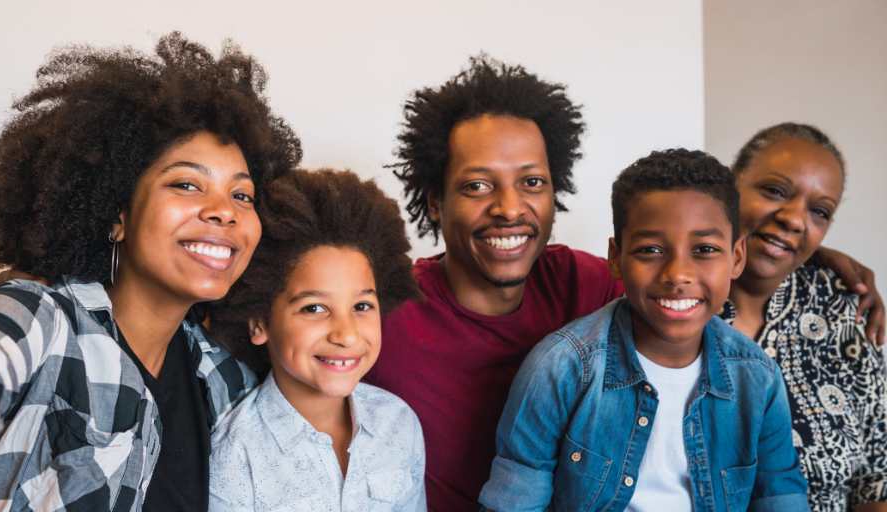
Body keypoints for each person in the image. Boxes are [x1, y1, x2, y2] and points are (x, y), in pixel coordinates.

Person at [366, 55, 884, 511]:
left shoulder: (582, 280)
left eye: (532, 182)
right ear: (435, 202)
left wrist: (807, 253)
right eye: (477, 186)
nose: (508, 208)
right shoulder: (386, 311)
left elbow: (677, 268)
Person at [0, 32, 301, 511]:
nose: (224, 211)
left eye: (242, 195)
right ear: (118, 215)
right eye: (187, 184)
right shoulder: (40, 318)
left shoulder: (222, 379)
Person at [480, 148, 809, 511]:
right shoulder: (561, 368)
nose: (677, 274)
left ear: (737, 258)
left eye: (704, 249)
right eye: (650, 250)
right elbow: (512, 504)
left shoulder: (757, 377)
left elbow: (781, 497)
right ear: (616, 259)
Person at [206, 169, 425, 511]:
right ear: (259, 321)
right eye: (315, 308)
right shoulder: (235, 455)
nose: (346, 333)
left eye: (362, 306)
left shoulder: (399, 423)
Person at [724, 123, 886, 511]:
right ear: (727, 187)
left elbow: (876, 480)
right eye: (775, 191)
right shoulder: (673, 305)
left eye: (819, 212)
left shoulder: (844, 308)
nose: (795, 220)